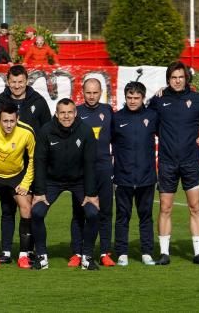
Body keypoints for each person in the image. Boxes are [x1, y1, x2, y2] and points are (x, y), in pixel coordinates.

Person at [0, 64, 50, 264]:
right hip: (5, 164)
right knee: (7, 209)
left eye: (20, 82)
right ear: (7, 81)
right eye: (13, 82)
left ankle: (27, 250)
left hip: (29, 165)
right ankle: (5, 251)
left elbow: (47, 130)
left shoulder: (38, 102)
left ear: (27, 81)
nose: (16, 86)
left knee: (27, 207)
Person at [148, 61, 199, 265]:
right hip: (167, 162)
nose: (177, 81)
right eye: (173, 77)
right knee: (165, 208)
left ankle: (198, 253)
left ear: (186, 79)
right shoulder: (158, 101)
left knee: (195, 206)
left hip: (191, 161)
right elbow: (150, 125)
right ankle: (164, 253)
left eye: (180, 77)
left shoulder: (198, 100)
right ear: (168, 79)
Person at [31, 99, 100, 270]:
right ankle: (41, 256)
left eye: (70, 112)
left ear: (75, 113)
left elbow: (90, 163)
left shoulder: (85, 131)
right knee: (37, 212)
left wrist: (91, 194)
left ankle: (87, 257)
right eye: (62, 112)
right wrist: (39, 192)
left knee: (92, 213)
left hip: (79, 181)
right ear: (56, 113)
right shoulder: (46, 131)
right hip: (53, 180)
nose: (66, 116)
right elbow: (39, 162)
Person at [0, 103, 36, 269]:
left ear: (17, 119)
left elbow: (33, 159)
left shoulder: (27, 132)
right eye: (5, 121)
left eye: (12, 121)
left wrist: (26, 183)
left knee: (26, 208)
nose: (9, 125)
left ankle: (23, 256)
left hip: (15, 175)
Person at [112, 81, 159, 266]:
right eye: (129, 97)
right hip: (123, 177)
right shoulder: (116, 118)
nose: (132, 101)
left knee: (145, 216)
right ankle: (122, 252)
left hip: (146, 177)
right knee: (123, 216)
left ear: (143, 98)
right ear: (125, 97)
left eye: (136, 98)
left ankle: (147, 252)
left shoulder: (152, 116)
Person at [76, 78, 116, 267]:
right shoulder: (75, 112)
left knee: (105, 211)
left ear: (101, 92)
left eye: (95, 92)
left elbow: (117, 138)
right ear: (82, 92)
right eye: (88, 92)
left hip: (104, 168)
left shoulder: (108, 111)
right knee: (80, 212)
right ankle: (77, 252)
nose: (91, 96)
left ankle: (104, 251)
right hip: (82, 171)